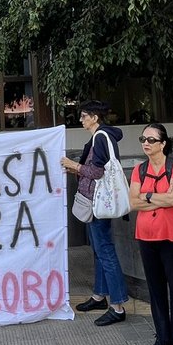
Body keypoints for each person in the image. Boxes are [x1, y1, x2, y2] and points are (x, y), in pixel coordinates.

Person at [126, 123, 173, 345]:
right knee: (155, 291)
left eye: (152, 139)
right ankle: (163, 337)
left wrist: (149, 197)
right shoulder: (138, 169)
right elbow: (133, 203)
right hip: (146, 237)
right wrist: (159, 200)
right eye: (143, 138)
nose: (146, 143)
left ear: (163, 144)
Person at [60, 100, 129, 327]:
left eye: (83, 116)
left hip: (99, 203)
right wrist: (76, 169)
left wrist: (74, 165)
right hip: (96, 202)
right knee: (100, 251)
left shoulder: (100, 137)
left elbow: (98, 172)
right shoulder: (101, 137)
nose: (80, 120)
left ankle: (117, 306)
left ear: (94, 118)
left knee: (105, 252)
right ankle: (100, 296)